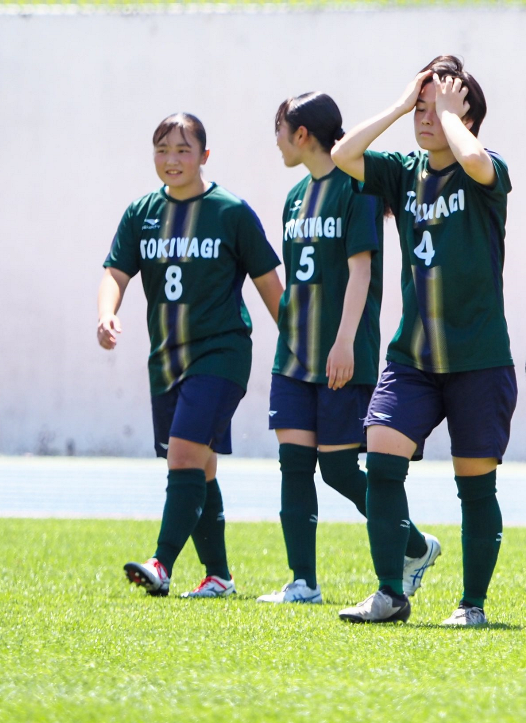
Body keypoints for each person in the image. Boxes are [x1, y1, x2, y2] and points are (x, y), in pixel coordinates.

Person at [330, 55, 516, 627]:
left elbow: (477, 160)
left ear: (465, 115)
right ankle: (390, 593)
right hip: (413, 355)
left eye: (437, 107)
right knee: (381, 459)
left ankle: (473, 605)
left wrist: (453, 115)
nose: (424, 116)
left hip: (478, 358)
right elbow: (342, 155)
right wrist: (401, 101)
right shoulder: (401, 171)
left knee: (474, 485)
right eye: (422, 107)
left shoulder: (488, 171)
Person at [257, 92, 440, 606]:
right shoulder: (294, 196)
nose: (275, 141)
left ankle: (414, 545)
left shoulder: (355, 186)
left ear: (300, 133)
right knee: (293, 463)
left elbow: (361, 270)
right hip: (293, 352)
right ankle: (303, 582)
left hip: (341, 352)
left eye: (278, 129)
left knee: (338, 469)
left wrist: (343, 343)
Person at [103, 113, 283, 599]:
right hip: (166, 360)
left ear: (204, 156)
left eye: (183, 150)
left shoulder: (231, 212)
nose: (172, 159)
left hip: (221, 354)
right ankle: (219, 575)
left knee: (182, 454)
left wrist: (297, 342)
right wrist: (107, 314)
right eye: (162, 150)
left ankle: (161, 564)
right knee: (199, 465)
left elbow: (270, 286)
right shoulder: (141, 212)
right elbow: (116, 272)